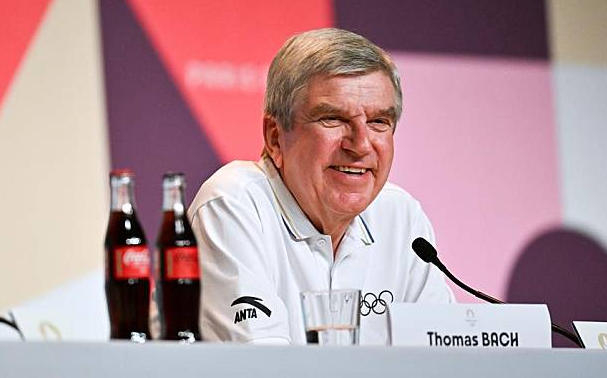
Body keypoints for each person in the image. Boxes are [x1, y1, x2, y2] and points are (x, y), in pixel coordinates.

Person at [188, 28, 454, 345]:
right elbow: (262, 370)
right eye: (333, 119)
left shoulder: (402, 217)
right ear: (275, 136)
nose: (360, 144)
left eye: (378, 122)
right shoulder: (233, 204)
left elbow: (443, 359)